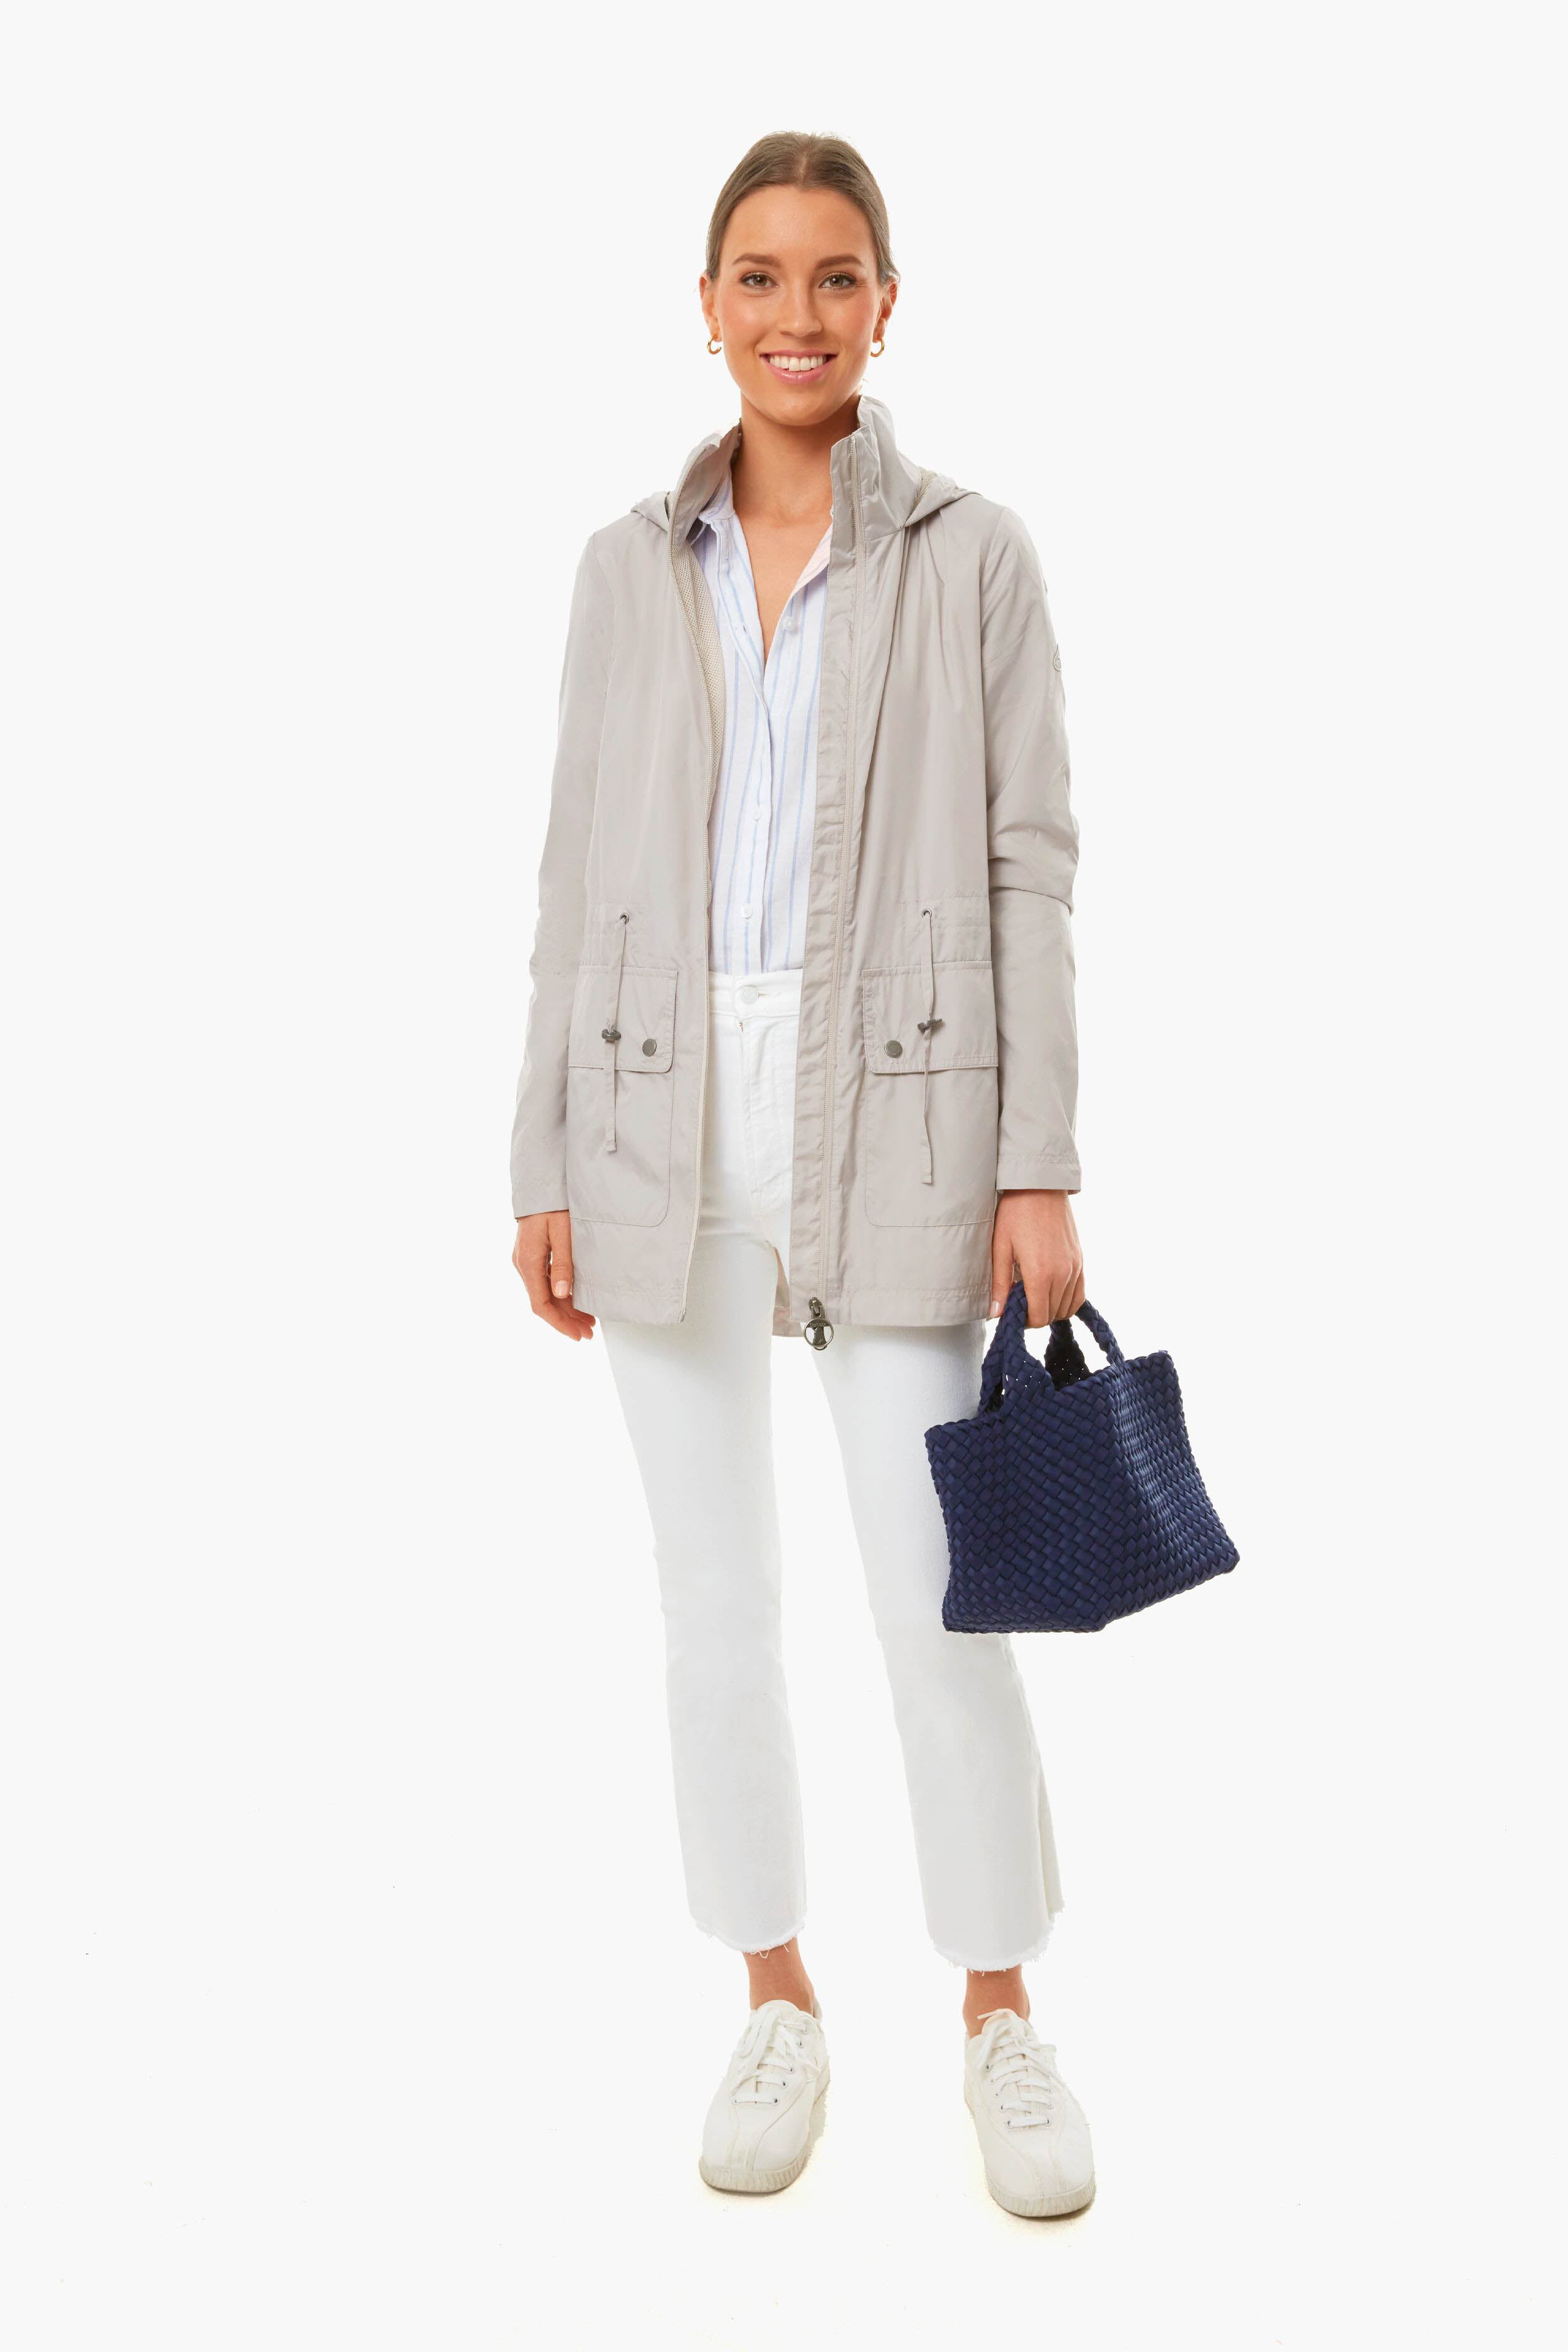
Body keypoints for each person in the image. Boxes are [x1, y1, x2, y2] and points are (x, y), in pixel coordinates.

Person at [510, 131, 1093, 2218]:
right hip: (655, 1100)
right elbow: (574, 874)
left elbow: (1028, 869)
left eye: (833, 277)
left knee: (939, 1595)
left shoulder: (971, 556)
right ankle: (773, 1993)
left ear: (884, 306)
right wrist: (540, 1150)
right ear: (705, 308)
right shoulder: (622, 569)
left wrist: (1039, 1163)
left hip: (904, 1102)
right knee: (712, 1604)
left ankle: (999, 2015)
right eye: (757, 277)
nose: (795, 314)